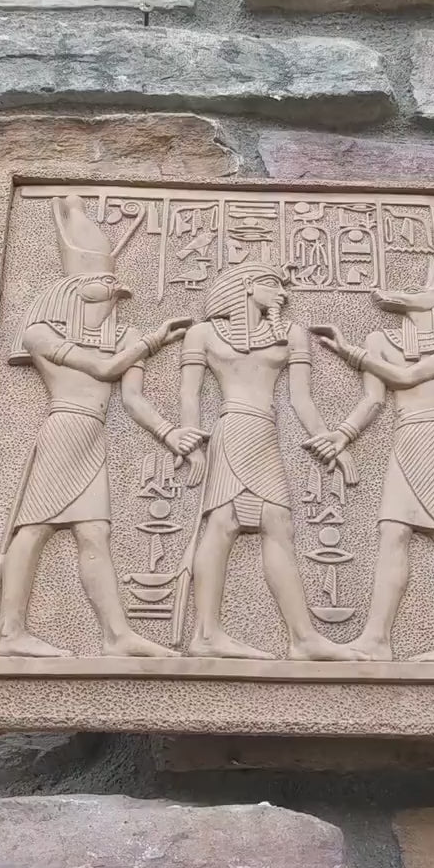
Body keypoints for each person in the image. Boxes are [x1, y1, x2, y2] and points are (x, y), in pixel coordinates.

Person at [0, 194, 203, 659]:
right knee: (35, 529)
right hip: (63, 431)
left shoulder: (123, 337)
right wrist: (153, 340)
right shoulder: (41, 333)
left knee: (94, 534)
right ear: (73, 290)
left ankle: (116, 635)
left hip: (93, 437)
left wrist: (169, 433)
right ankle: (10, 632)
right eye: (103, 288)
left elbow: (133, 400)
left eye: (115, 291)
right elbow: (102, 370)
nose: (113, 298)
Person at [306, 258, 434, 663]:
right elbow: (373, 399)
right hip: (404, 438)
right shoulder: (380, 340)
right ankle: (376, 638)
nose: (403, 297)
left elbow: (408, 378)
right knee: (392, 532)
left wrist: (349, 352)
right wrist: (342, 435)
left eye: (420, 292)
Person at [177, 263, 360, 660]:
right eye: (273, 285)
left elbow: (301, 399)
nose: (283, 294)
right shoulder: (202, 333)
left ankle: (302, 638)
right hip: (231, 428)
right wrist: (191, 441)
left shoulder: (290, 333)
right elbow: (189, 395)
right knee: (223, 522)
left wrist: (330, 441)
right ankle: (207, 633)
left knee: (276, 523)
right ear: (247, 285)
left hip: (264, 431)